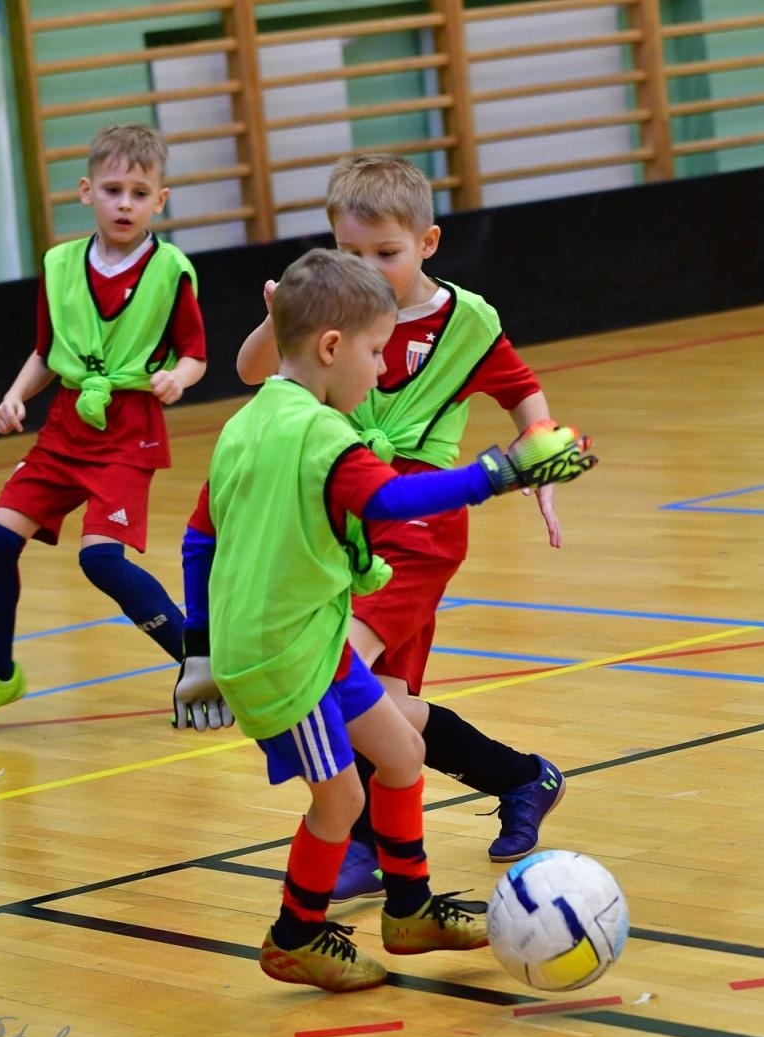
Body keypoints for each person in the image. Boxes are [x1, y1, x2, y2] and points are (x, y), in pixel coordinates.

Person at [196, 247, 595, 991]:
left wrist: (195, 649)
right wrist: (499, 472)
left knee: (402, 750)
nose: (384, 371)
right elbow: (389, 501)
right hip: (283, 657)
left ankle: (409, 911)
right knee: (342, 799)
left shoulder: (250, 422)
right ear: (331, 348)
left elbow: (197, 536)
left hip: (316, 636)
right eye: (377, 352)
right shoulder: (319, 435)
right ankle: (295, 937)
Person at [219, 154, 575, 895]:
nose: (369, 270)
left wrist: (538, 465)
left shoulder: (467, 321)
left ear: (428, 243)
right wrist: (278, 314)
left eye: (386, 253)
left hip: (419, 519)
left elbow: (522, 390)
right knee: (380, 703)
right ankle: (519, 777)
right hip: (342, 519)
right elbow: (252, 371)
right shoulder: (331, 307)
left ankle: (358, 839)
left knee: (331, 670)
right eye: (350, 252)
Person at [0, 124, 206, 737]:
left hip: (129, 432)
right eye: (113, 190)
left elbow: (195, 353)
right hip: (65, 428)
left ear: (160, 201)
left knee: (102, 562)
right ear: (87, 192)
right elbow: (45, 352)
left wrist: (179, 378)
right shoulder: (60, 265)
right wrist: (15, 396)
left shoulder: (171, 270)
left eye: (140, 193)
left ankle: (198, 665)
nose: (125, 204)